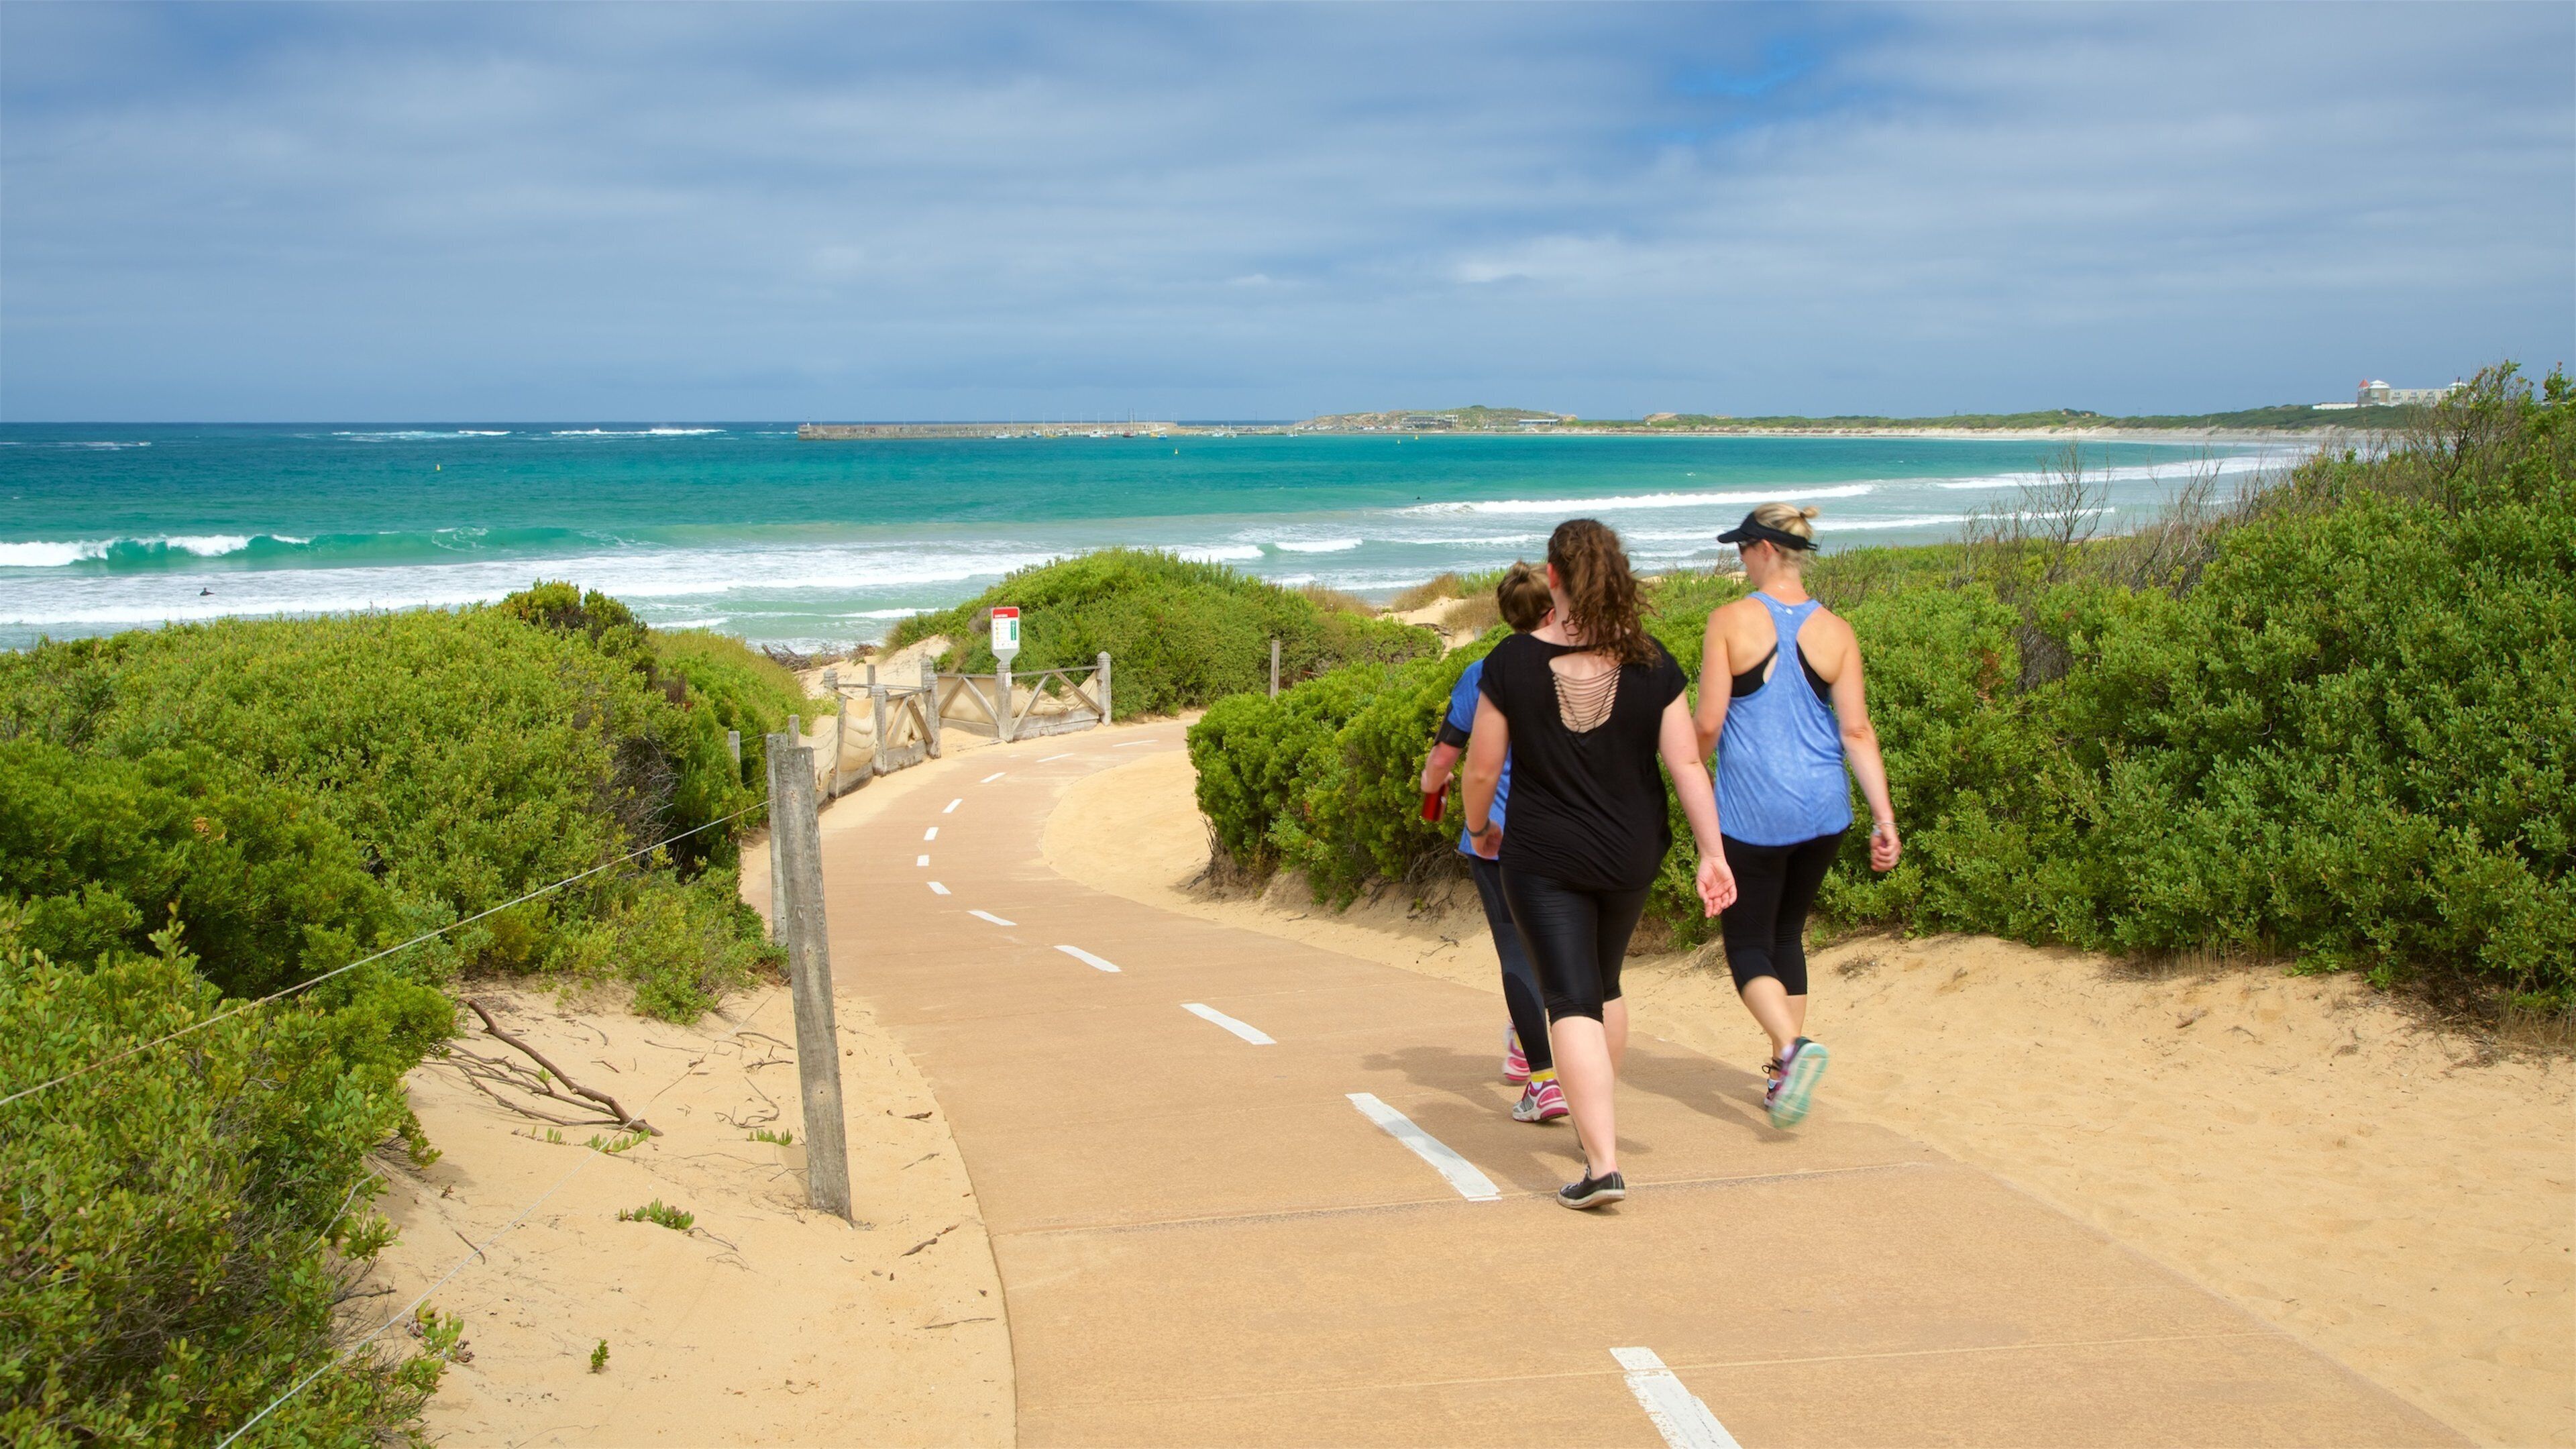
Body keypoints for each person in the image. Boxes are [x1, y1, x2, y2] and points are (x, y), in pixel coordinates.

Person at [1463, 519, 1734, 1210]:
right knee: (1605, 982)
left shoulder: (1511, 662)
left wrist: (1478, 826)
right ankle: (1594, 1134)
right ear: (1617, 573)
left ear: (1552, 578)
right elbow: (1687, 766)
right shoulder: (1652, 661)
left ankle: (1603, 1164)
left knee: (1569, 998)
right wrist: (1712, 853)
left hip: (1543, 851)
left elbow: (1482, 767)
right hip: (1632, 849)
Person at [1696, 503, 1902, 1129]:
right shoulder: (1838, 631)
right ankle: (1784, 1074)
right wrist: (1884, 818)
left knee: (1746, 944)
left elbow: (1706, 724)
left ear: (1762, 549)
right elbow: (1859, 732)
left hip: (1754, 813)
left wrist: (1685, 773)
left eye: (1741, 549)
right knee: (1787, 935)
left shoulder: (1729, 622)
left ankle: (1792, 1049)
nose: (1739, 560)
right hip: (1824, 813)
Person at [1419, 563, 1565, 1124]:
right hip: (1573, 834)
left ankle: (1544, 1080)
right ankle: (1562, 1060)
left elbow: (1443, 759)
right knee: (1566, 953)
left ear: (1504, 615)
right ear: (1552, 610)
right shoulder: (1581, 667)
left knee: (1516, 952)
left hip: (1500, 836)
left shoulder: (1483, 671)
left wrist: (1432, 792)